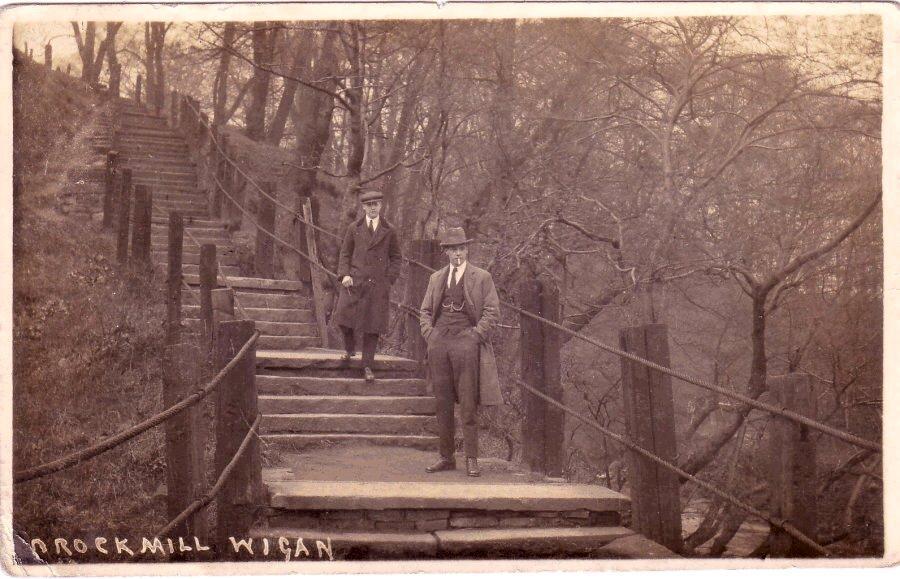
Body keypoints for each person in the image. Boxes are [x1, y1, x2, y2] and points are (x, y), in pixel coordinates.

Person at [419, 227, 503, 477]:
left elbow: (492, 312)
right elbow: (424, 311)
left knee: (468, 403)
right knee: (442, 402)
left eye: (461, 248)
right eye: (453, 249)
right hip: (439, 343)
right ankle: (446, 457)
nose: (457, 253)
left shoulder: (482, 277)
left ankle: (472, 459)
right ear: (445, 252)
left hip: (466, 344)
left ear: (467, 250)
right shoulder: (436, 278)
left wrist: (475, 336)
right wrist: (430, 335)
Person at [333, 189, 402, 382]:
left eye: (376, 204)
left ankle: (367, 366)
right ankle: (349, 349)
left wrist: (389, 279)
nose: (373, 208)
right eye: (369, 205)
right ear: (364, 207)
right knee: (343, 317)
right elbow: (345, 253)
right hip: (354, 281)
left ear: (381, 206)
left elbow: (396, 257)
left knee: (373, 326)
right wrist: (344, 274)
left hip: (377, 285)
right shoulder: (354, 228)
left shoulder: (389, 230)